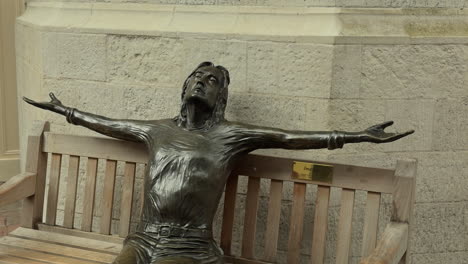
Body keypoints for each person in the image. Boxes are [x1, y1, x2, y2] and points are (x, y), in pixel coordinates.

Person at [24, 61, 413, 264]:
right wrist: (66, 111)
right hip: (142, 240)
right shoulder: (156, 129)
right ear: (183, 89)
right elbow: (109, 124)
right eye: (195, 77)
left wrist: (357, 135)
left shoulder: (231, 135)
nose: (199, 82)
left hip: (189, 248)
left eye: (210, 80)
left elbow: (289, 138)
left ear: (221, 97)